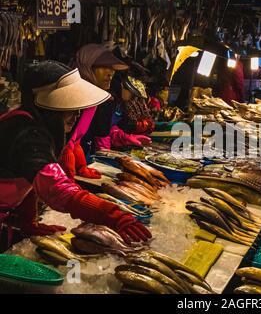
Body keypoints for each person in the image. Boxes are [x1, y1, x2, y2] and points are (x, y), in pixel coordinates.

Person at [0, 61, 152, 252]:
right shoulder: (26, 133)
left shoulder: (32, 123)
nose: (77, 115)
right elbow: (57, 189)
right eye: (69, 108)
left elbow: (30, 181)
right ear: (49, 108)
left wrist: (28, 223)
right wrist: (112, 215)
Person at [73, 44, 151, 155]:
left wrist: (126, 138)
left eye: (111, 68)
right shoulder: (72, 98)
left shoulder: (100, 99)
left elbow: (105, 132)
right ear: (88, 67)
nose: (110, 73)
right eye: (104, 67)